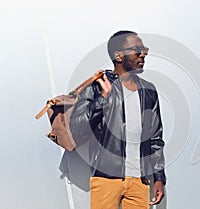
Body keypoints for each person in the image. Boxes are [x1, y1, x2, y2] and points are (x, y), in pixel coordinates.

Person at [69, 30, 166, 209]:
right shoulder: (97, 86)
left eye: (144, 49)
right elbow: (77, 128)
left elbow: (155, 138)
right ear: (118, 56)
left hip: (140, 180)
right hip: (106, 178)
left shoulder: (149, 91)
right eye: (137, 49)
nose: (143, 54)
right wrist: (102, 99)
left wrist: (159, 177)